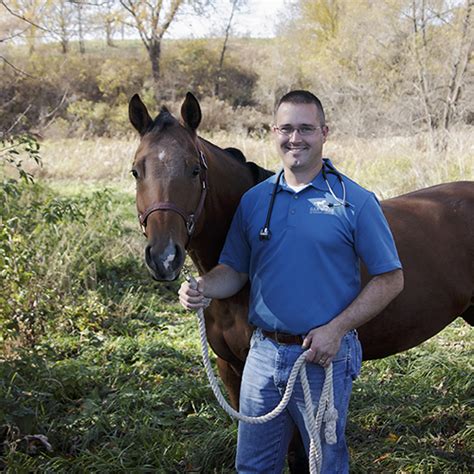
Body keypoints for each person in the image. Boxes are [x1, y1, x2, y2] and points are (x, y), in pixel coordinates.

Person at [179, 90, 404, 473]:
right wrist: (202, 287)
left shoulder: (354, 200)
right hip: (263, 355)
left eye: (306, 128)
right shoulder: (255, 201)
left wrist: (337, 330)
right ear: (273, 132)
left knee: (323, 466)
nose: (295, 138)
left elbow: (391, 278)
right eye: (286, 128)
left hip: (323, 358)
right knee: (253, 466)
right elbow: (234, 271)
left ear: (324, 133)